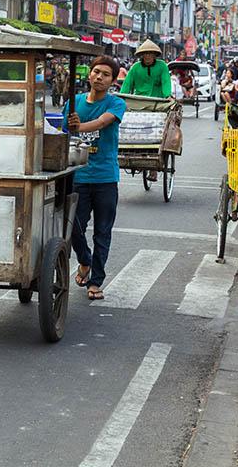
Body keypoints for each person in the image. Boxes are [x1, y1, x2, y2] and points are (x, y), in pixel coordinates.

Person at [63, 56, 126, 301]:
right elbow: (62, 131)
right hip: (78, 175)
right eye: (96, 72)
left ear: (112, 81)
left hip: (105, 177)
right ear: (89, 74)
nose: (99, 77)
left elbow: (102, 122)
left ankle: (96, 281)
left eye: (106, 74)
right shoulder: (74, 102)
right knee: (73, 227)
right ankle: (84, 260)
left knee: (102, 231)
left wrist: (79, 127)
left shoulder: (116, 103)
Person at [120, 39, 170, 180]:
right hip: (138, 103)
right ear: (141, 55)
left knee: (159, 133)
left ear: (154, 55)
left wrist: (167, 96)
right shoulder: (135, 68)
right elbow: (127, 85)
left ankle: (154, 167)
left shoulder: (162, 66)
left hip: (157, 104)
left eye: (150, 53)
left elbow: (166, 82)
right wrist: (121, 98)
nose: (147, 56)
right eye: (145, 54)